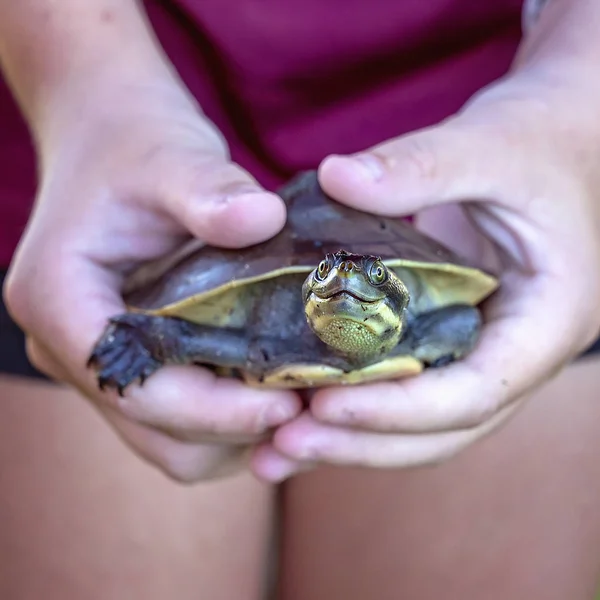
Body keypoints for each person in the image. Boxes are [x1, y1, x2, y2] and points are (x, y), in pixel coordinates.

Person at [1, 0, 600, 598]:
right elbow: (173, 332)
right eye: (332, 284)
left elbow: (462, 321)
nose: (346, 290)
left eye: (364, 287)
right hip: (117, 148)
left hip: (499, 171)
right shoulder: (280, 326)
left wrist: (576, 100)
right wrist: (84, 92)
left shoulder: (424, 321)